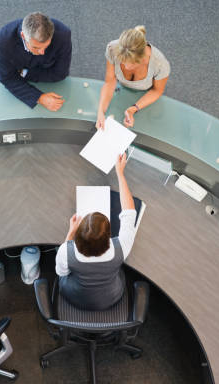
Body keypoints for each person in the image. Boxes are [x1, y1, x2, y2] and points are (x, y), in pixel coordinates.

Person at [55, 153, 136, 310]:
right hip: (110, 297)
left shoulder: (66, 251)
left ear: (78, 237)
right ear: (109, 237)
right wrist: (120, 173)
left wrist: (70, 233)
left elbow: (61, 273)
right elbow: (130, 211)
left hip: (75, 297)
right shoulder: (121, 247)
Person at [0, 12, 72, 112]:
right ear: (23, 36)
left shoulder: (63, 35)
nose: (42, 52)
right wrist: (39, 97)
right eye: (36, 47)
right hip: (44, 73)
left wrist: (22, 73)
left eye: (46, 46)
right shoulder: (3, 41)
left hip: (47, 80)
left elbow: (60, 74)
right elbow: (6, 78)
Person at [96, 26, 170, 129]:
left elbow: (157, 91)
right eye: (122, 61)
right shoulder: (112, 49)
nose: (126, 67)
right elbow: (110, 81)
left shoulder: (159, 64)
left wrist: (133, 109)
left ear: (143, 57)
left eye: (132, 63)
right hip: (121, 93)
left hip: (145, 97)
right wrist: (100, 112)